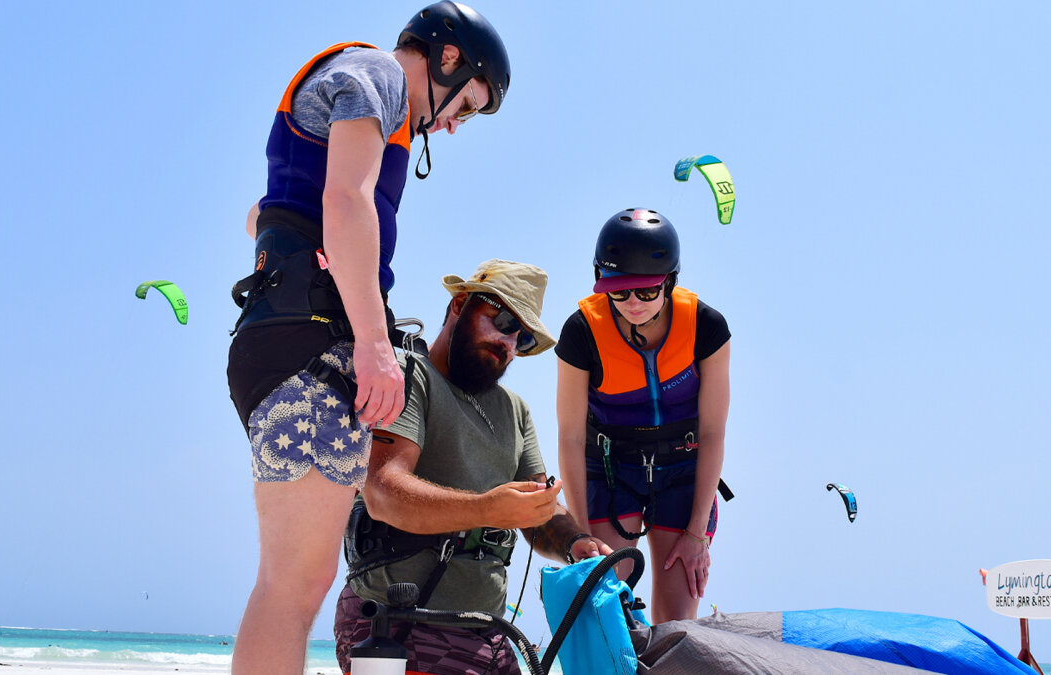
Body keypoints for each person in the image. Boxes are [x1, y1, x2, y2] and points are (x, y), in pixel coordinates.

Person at [226, 5, 511, 674]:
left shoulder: (363, 97)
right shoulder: (379, 73)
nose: (452, 124)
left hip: (281, 338)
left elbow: (260, 214)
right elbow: (347, 201)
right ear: (447, 59)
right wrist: (376, 343)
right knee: (294, 584)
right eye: (464, 105)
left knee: (291, 579)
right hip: (311, 345)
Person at [333, 260, 611, 675]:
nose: (509, 342)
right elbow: (382, 493)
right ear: (460, 305)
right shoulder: (409, 376)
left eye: (522, 336)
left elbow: (538, 509)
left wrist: (577, 544)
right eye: (502, 320)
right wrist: (487, 509)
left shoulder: (515, 410)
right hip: (399, 627)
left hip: (489, 638)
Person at [555, 208, 732, 623]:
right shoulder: (580, 331)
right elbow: (570, 438)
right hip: (611, 467)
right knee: (603, 606)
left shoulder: (707, 326)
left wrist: (695, 536)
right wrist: (579, 534)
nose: (632, 303)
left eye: (647, 292)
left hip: (683, 467)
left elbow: (712, 431)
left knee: (675, 626)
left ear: (670, 281)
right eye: (618, 291)